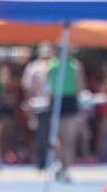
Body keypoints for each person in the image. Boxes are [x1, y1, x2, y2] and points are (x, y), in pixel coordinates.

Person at [48, 49, 87, 181]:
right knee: (57, 137)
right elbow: (46, 83)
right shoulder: (51, 64)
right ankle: (58, 164)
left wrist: (81, 103)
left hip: (70, 100)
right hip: (56, 99)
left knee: (68, 137)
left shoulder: (75, 65)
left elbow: (80, 84)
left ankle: (65, 166)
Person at [21, 42, 54, 169]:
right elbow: (28, 87)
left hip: (52, 103)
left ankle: (51, 159)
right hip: (39, 105)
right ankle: (41, 161)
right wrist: (29, 104)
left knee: (52, 133)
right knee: (41, 134)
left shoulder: (55, 66)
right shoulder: (33, 67)